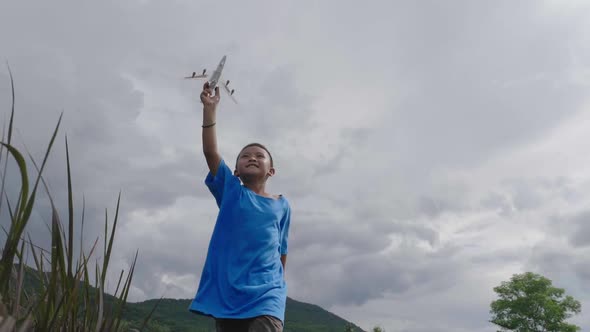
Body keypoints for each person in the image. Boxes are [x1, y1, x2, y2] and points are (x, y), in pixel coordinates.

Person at [189, 82, 291, 332]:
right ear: (235, 171)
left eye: (259, 155)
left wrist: (276, 283)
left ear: (272, 170)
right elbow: (210, 152)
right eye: (245, 156)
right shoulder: (232, 191)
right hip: (230, 296)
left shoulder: (282, 204)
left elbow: (282, 250)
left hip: (268, 295)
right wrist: (209, 109)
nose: (253, 157)